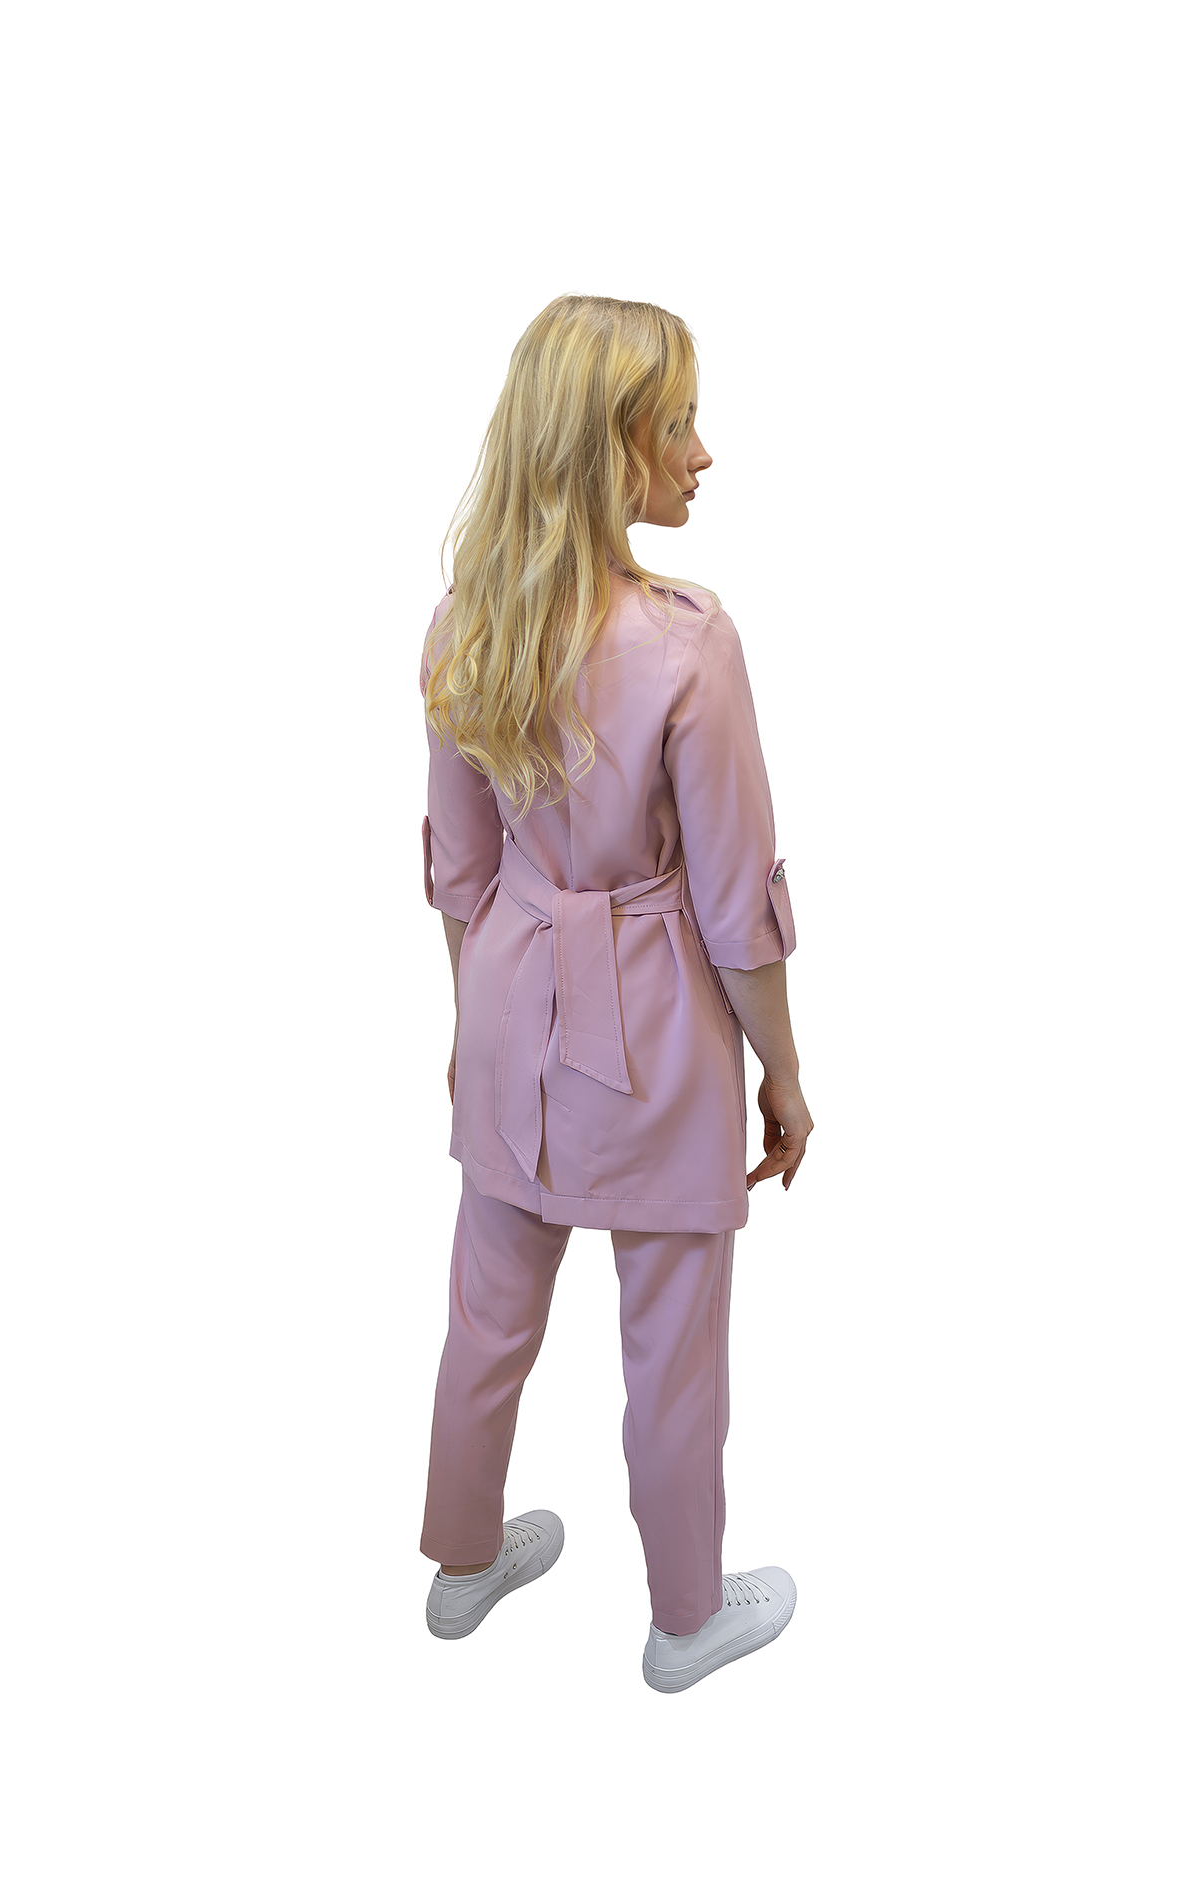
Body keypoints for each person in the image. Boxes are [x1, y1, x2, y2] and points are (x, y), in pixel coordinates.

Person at [417, 294, 813, 1692]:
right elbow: (736, 903)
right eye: (678, 424)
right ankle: (686, 1618)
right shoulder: (688, 642)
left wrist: (474, 1035)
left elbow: (460, 872)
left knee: (486, 1316)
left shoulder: (465, 624)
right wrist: (785, 1072)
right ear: (609, 447)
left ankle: (463, 1564)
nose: (703, 453)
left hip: (509, 1005)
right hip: (652, 1028)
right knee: (674, 1345)